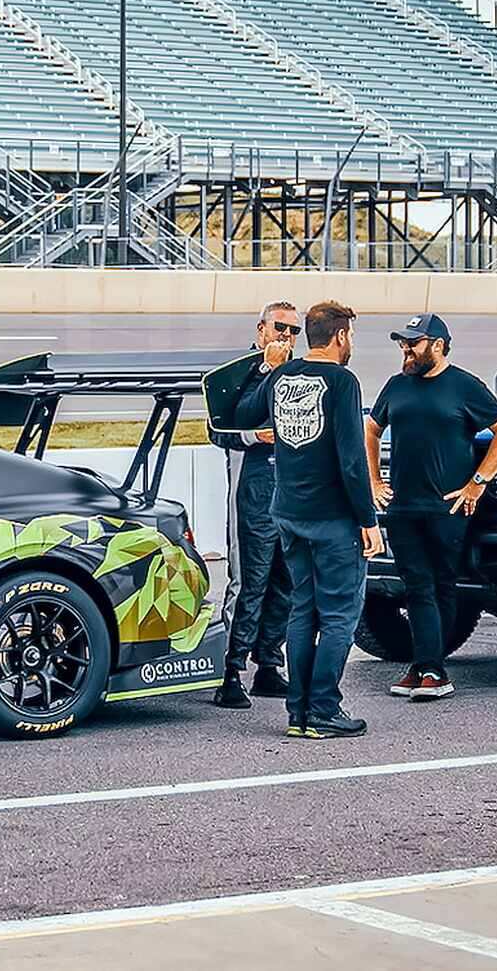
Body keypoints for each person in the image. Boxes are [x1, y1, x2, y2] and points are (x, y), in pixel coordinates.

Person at [236, 300, 385, 740]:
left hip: (289, 512)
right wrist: (367, 519)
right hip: (333, 517)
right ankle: (323, 707)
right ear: (340, 336)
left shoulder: (283, 376)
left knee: (303, 610)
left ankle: (298, 712)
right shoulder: (342, 381)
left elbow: (243, 413)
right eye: (351, 336)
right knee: (339, 614)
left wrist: (266, 368)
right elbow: (352, 458)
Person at [366, 314, 497, 702]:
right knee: (415, 586)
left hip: (447, 507)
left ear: (437, 345)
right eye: (403, 343)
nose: (406, 350)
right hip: (402, 506)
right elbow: (370, 429)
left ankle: (432, 667)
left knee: (440, 585)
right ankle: (426, 667)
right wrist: (374, 481)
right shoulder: (396, 386)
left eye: (413, 343)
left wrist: (477, 483)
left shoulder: (464, 386)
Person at [208, 301, 298, 708]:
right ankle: (230, 670)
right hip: (252, 489)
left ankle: (268, 665)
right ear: (262, 328)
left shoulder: (297, 373)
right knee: (249, 580)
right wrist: (253, 437)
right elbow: (221, 428)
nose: (286, 336)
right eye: (280, 327)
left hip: (291, 492)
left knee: (286, 581)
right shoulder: (242, 370)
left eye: (294, 331)